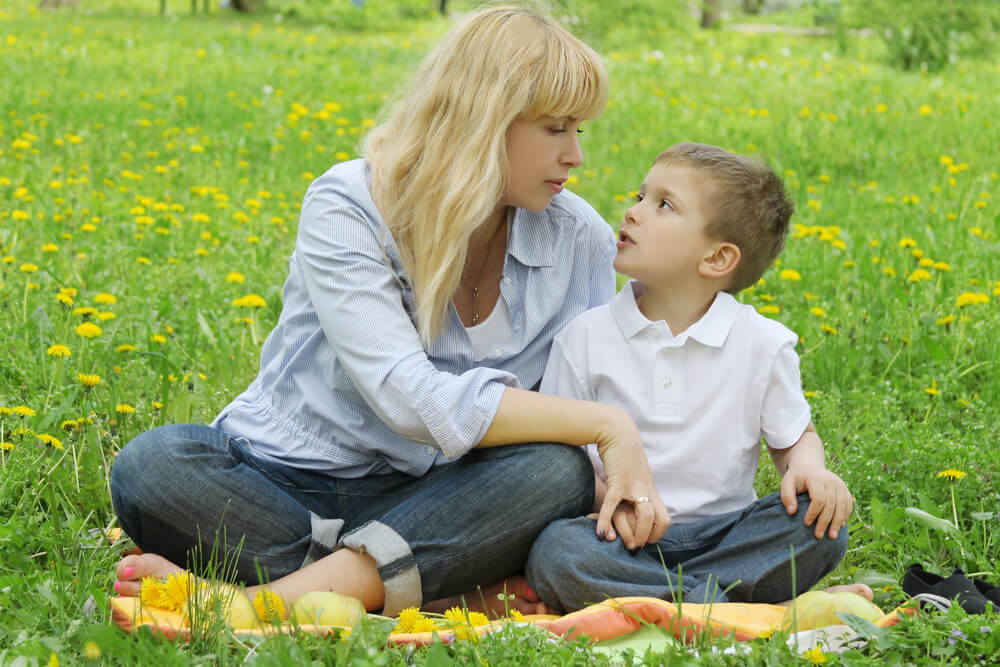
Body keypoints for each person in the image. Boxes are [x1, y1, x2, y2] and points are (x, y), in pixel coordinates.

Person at [109, 5, 669, 618]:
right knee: (156, 468)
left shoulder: (577, 237)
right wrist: (609, 426)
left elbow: (595, 375)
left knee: (554, 472)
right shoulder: (349, 205)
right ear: (485, 120)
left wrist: (791, 437)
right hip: (286, 482)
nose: (575, 157)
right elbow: (406, 397)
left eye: (578, 131)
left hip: (441, 497)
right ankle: (438, 587)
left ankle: (263, 602)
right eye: (556, 129)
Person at [525, 143, 870, 612]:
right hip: (622, 536)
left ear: (716, 259)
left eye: (663, 205)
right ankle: (737, 606)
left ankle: (665, 603)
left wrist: (809, 470)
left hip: (729, 534)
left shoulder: (762, 344)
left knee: (817, 526)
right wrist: (618, 502)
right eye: (641, 195)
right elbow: (562, 455)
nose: (634, 212)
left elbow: (795, 439)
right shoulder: (584, 337)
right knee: (557, 552)